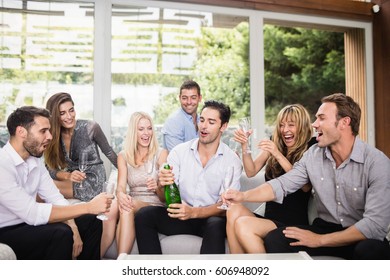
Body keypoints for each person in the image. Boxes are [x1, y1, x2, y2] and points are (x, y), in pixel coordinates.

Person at [224, 93, 390, 259]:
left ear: (344, 122)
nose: (314, 124)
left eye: (321, 118)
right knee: (276, 239)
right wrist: (242, 195)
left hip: (358, 235)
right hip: (325, 227)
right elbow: (282, 184)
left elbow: (374, 225)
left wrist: (320, 240)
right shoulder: (314, 154)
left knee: (371, 250)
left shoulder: (377, 162)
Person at [0, 106, 113, 259]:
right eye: (43, 131)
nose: (50, 136)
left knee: (90, 222)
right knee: (60, 234)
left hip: (30, 225)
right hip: (7, 230)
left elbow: (55, 198)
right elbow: (32, 213)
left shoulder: (35, 161)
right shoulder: (3, 163)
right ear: (21, 132)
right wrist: (88, 207)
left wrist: (73, 226)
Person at [135, 100, 242, 254]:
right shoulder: (179, 152)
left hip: (210, 218)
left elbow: (226, 207)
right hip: (181, 216)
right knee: (144, 216)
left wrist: (194, 212)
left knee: (216, 224)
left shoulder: (232, 160)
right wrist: (162, 185)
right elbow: (163, 199)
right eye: (202, 120)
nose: (203, 126)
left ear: (223, 127)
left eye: (211, 122)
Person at [227, 104, 315, 253]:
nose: (284, 129)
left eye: (291, 125)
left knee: (243, 224)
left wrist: (277, 154)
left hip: (292, 221)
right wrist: (244, 146)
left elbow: (305, 185)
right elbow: (251, 171)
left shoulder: (311, 147)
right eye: (281, 125)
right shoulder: (276, 143)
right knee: (232, 209)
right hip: (270, 219)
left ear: (302, 126)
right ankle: (239, 268)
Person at [43, 92, 118, 258]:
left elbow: (111, 153)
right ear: (55, 116)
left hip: (93, 181)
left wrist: (130, 176)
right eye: (63, 113)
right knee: (44, 185)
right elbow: (48, 169)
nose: (69, 116)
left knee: (43, 189)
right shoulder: (52, 135)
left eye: (71, 110)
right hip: (73, 179)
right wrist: (66, 176)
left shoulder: (90, 127)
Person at [114, 112, 168, 256]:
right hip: (132, 201)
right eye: (141, 129)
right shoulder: (123, 156)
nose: (146, 133)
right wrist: (120, 194)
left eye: (149, 128)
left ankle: (120, 262)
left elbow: (165, 196)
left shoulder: (161, 154)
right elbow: (120, 186)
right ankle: (97, 259)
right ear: (133, 131)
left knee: (128, 205)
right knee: (121, 206)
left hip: (154, 206)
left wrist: (157, 187)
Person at [161, 80, 202, 152]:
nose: (189, 102)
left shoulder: (201, 120)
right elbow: (178, 156)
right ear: (179, 98)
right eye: (184, 98)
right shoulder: (173, 122)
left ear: (200, 98)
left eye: (193, 97)